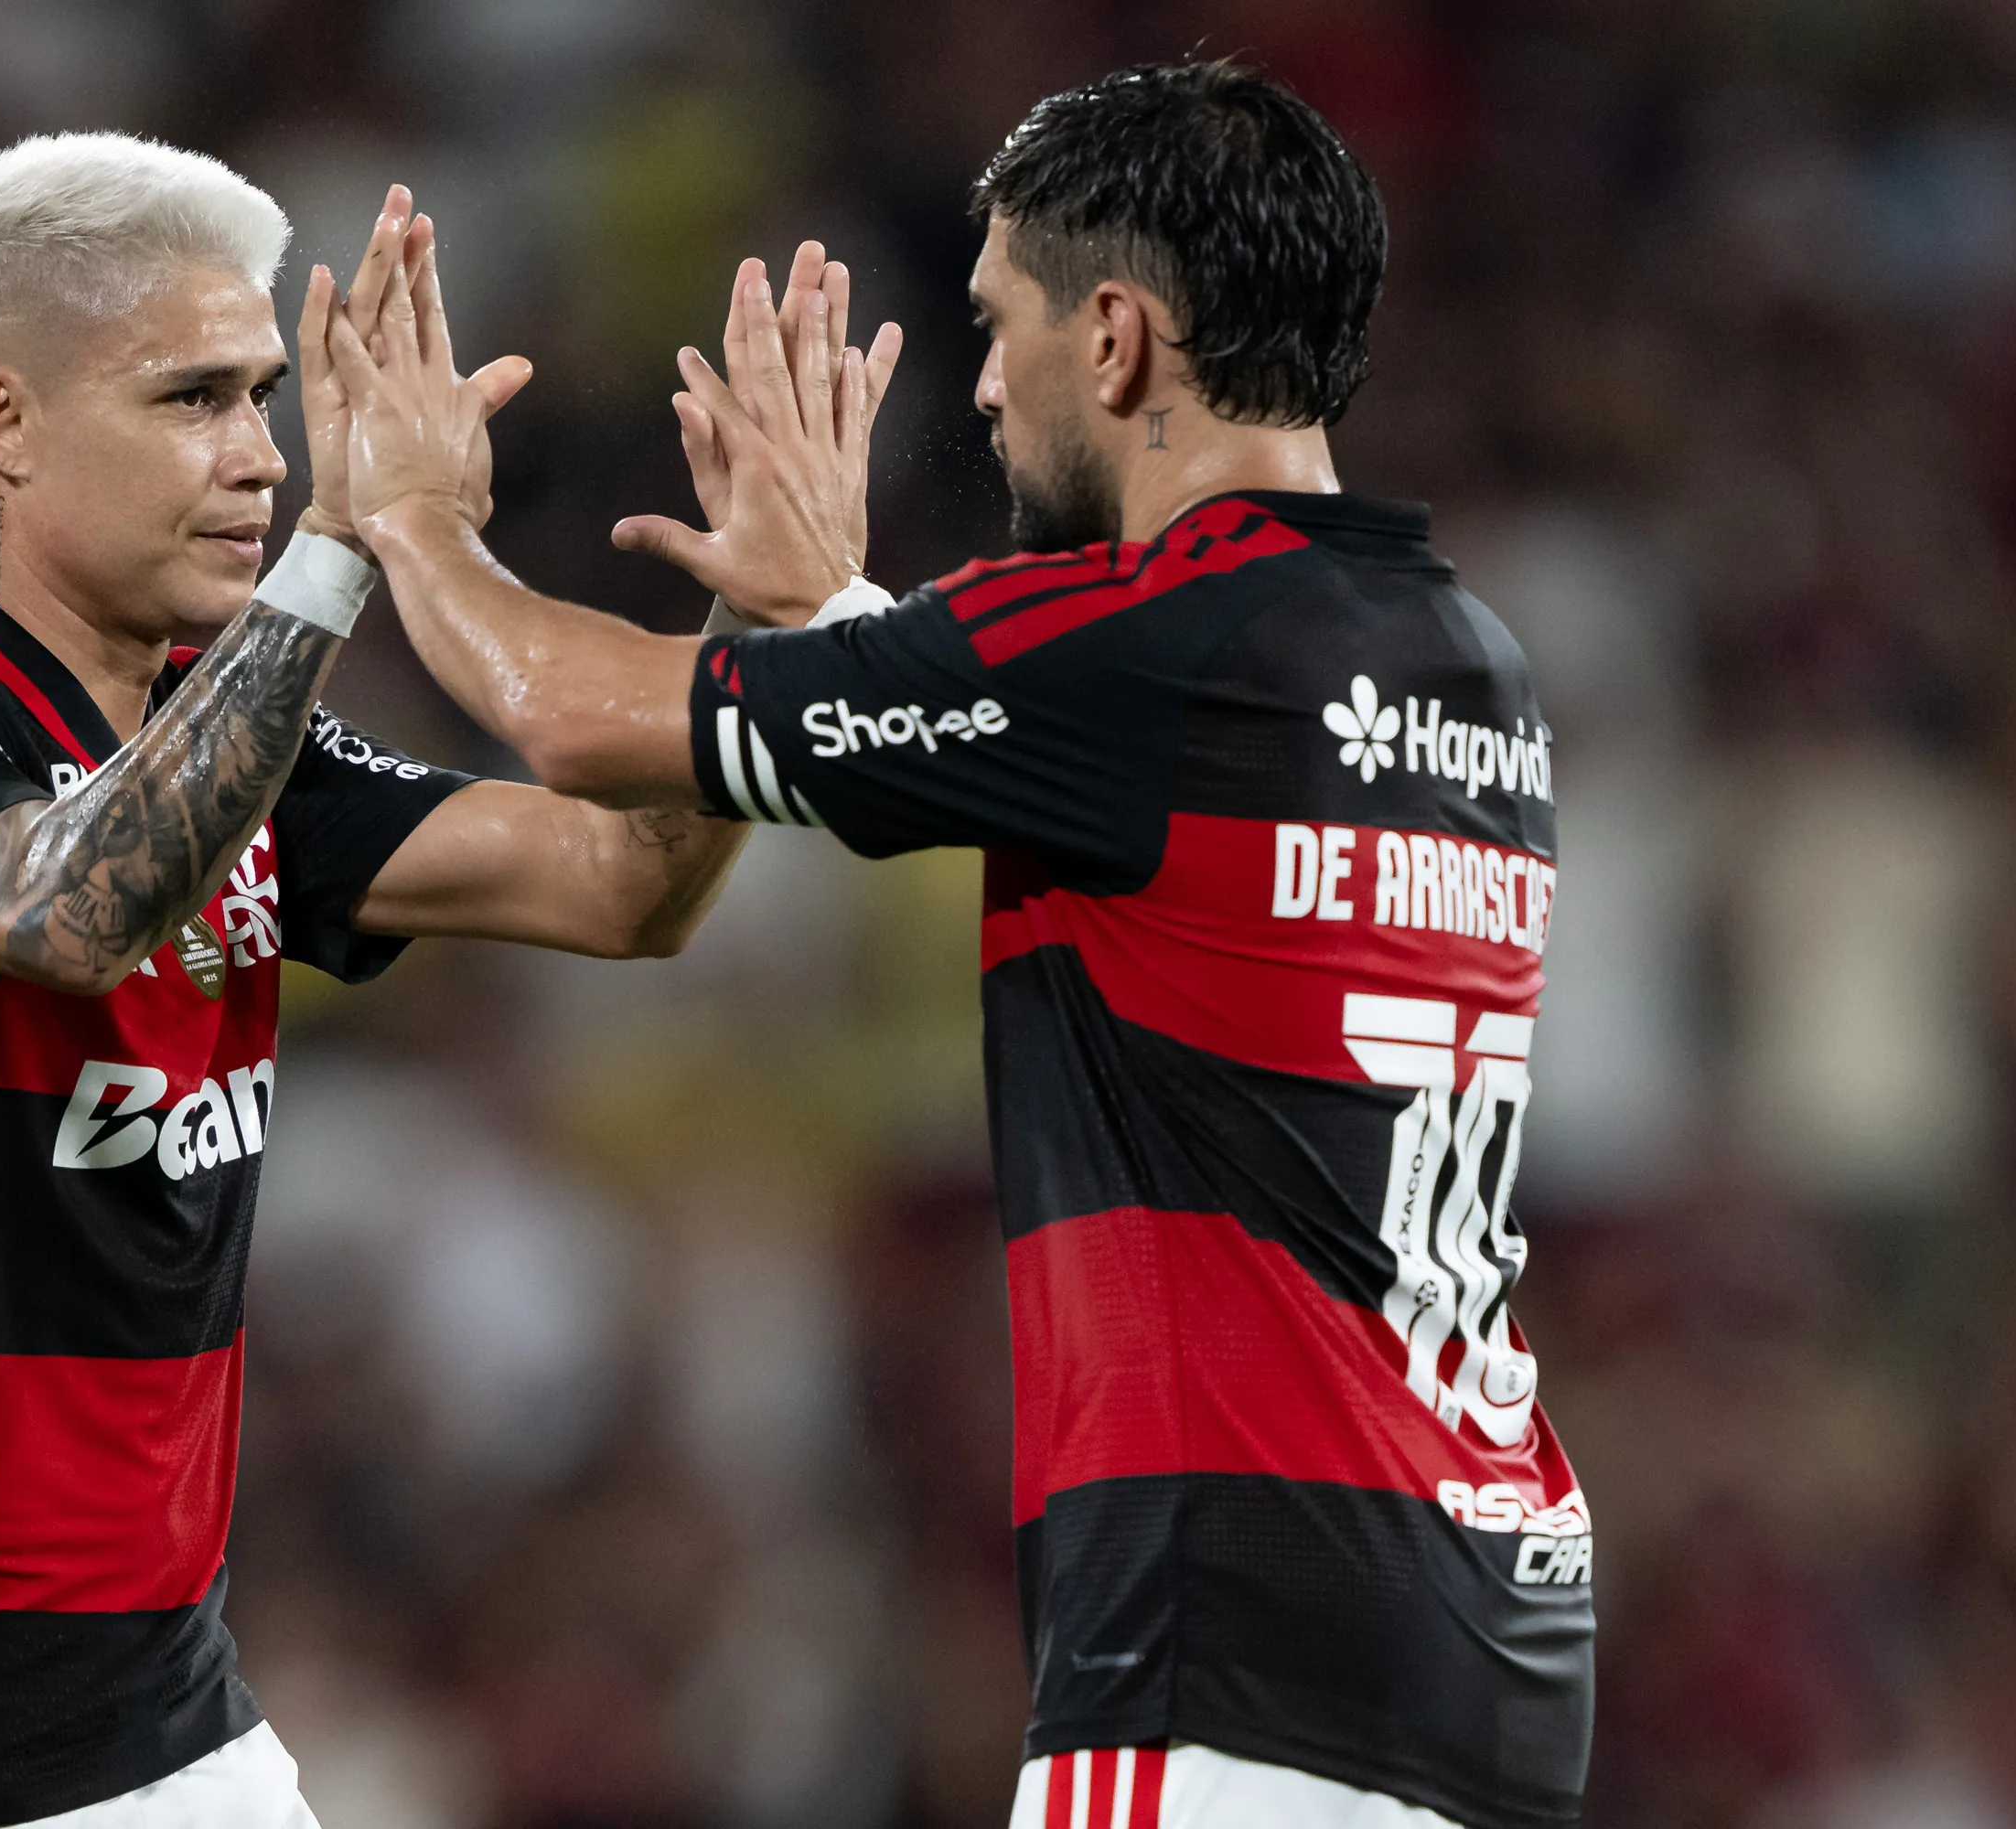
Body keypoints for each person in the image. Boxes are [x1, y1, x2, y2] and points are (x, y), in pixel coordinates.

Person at [327, 60, 1591, 1829]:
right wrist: (824, 622)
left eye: (1002, 326)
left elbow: (576, 720)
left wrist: (404, 515)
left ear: (1122, 341)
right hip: (1488, 1644)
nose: (982, 382)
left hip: (1237, 1656)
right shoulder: (1469, 666)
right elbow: (1099, 772)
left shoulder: (1146, 641)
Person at [0, 133, 891, 1829]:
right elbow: (80, 905)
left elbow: (619, 890)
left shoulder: (234, 757)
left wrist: (774, 639)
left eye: (262, 400)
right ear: (2, 424)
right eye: (191, 403)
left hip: (166, 1721)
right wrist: (345, 553)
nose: (257, 456)